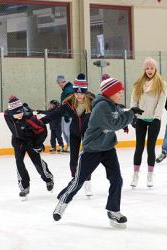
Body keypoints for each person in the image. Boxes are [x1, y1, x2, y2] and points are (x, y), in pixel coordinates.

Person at [52, 77, 143, 228]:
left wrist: (129, 121)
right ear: (110, 93)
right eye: (118, 92)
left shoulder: (113, 105)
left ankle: (113, 210)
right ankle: (64, 201)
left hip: (107, 148)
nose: (121, 94)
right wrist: (131, 115)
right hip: (92, 150)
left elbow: (119, 116)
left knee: (116, 180)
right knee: (78, 181)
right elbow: (114, 123)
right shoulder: (101, 107)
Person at [41, 74, 95, 196]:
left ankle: (88, 182)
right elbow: (55, 113)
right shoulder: (69, 102)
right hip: (74, 133)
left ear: (85, 92)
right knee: (73, 159)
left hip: (88, 134)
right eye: (76, 93)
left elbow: (105, 112)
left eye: (81, 93)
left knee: (86, 158)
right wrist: (41, 121)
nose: (79, 95)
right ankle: (73, 181)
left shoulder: (93, 101)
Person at [4, 96, 54, 200]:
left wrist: (38, 144)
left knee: (37, 163)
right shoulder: (7, 115)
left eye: (20, 112)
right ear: (11, 112)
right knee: (19, 162)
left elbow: (43, 130)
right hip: (18, 141)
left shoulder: (30, 119)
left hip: (31, 141)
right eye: (16, 113)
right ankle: (24, 187)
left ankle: (48, 178)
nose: (19, 115)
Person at [130, 57, 167, 188]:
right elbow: (134, 100)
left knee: (150, 148)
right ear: (144, 69)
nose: (149, 70)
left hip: (153, 120)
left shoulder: (161, 84)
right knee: (139, 147)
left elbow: (161, 102)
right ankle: (135, 174)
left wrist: (157, 118)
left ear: (155, 69)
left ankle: (150, 175)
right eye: (147, 68)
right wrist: (134, 114)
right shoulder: (139, 83)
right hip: (140, 119)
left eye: (151, 68)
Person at [57, 75, 74, 152]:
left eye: (59, 82)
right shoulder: (65, 90)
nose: (58, 84)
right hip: (64, 114)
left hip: (68, 115)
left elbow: (70, 104)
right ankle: (69, 145)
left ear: (63, 82)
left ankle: (72, 146)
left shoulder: (69, 90)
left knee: (68, 131)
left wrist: (68, 114)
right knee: (64, 131)